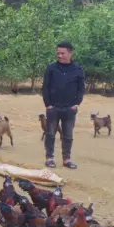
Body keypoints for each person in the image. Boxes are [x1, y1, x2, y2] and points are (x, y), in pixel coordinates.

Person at [42, 41, 85, 169]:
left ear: (70, 53)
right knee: (50, 134)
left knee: (68, 135)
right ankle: (49, 158)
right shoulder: (51, 68)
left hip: (69, 108)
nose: (59, 56)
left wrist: (76, 104)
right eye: (58, 53)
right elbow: (45, 87)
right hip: (53, 107)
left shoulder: (78, 69)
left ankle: (67, 159)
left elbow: (81, 88)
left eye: (62, 53)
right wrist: (48, 104)